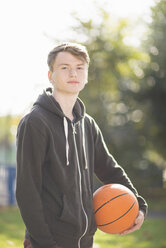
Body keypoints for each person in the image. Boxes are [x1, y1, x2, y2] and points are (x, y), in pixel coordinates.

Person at [16, 42, 148, 248]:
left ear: (86, 75)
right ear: (51, 76)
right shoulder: (35, 122)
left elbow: (110, 170)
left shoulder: (88, 124)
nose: (73, 73)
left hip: (85, 240)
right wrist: (44, 243)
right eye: (64, 67)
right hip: (50, 241)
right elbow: (27, 190)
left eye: (79, 67)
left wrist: (138, 205)